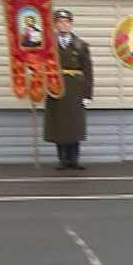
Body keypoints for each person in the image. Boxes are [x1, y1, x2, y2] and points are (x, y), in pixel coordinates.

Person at [44, 9, 92, 170]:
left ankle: (74, 159)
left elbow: (88, 70)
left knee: (74, 124)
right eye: (60, 22)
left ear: (71, 24)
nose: (63, 25)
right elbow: (40, 63)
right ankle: (62, 159)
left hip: (75, 88)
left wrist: (87, 94)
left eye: (66, 22)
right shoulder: (49, 45)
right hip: (56, 86)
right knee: (59, 123)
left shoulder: (80, 45)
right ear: (55, 24)